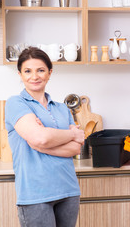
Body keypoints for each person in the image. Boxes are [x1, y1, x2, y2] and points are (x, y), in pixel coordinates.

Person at [5, 47, 85, 227]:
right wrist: (71, 133)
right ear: (20, 74)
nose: (34, 76)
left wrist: (43, 142)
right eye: (28, 71)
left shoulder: (62, 108)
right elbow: (40, 138)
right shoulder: (15, 103)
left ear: (49, 73)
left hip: (68, 190)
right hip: (35, 194)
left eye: (40, 70)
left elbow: (75, 148)